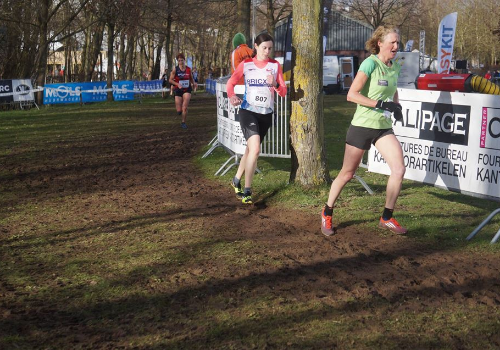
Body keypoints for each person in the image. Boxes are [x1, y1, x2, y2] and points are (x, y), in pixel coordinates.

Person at [321, 25, 408, 236]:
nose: (396, 46)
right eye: (392, 42)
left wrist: (396, 107)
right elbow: (352, 95)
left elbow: (392, 89)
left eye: (398, 42)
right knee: (347, 173)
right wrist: (380, 104)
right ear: (380, 43)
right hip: (361, 125)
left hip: (382, 128)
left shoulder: (394, 65)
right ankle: (327, 212)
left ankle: (386, 217)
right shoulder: (370, 63)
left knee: (399, 169)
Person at [227, 33, 287, 204]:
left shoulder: (275, 66)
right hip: (248, 111)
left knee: (249, 151)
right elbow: (231, 83)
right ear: (255, 46)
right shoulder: (246, 64)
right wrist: (232, 96)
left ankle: (236, 180)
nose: (267, 51)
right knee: (255, 150)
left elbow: (283, 91)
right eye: (264, 48)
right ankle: (247, 190)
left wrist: (274, 84)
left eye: (270, 48)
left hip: (266, 114)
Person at [168, 53, 198, 129]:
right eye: (179, 61)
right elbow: (170, 80)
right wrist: (177, 84)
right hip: (178, 89)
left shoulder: (188, 69)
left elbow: (191, 78)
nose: (181, 62)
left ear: (184, 60)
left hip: (187, 89)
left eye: (182, 60)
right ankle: (180, 112)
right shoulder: (175, 69)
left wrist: (193, 83)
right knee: (179, 110)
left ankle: (183, 122)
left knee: (184, 107)